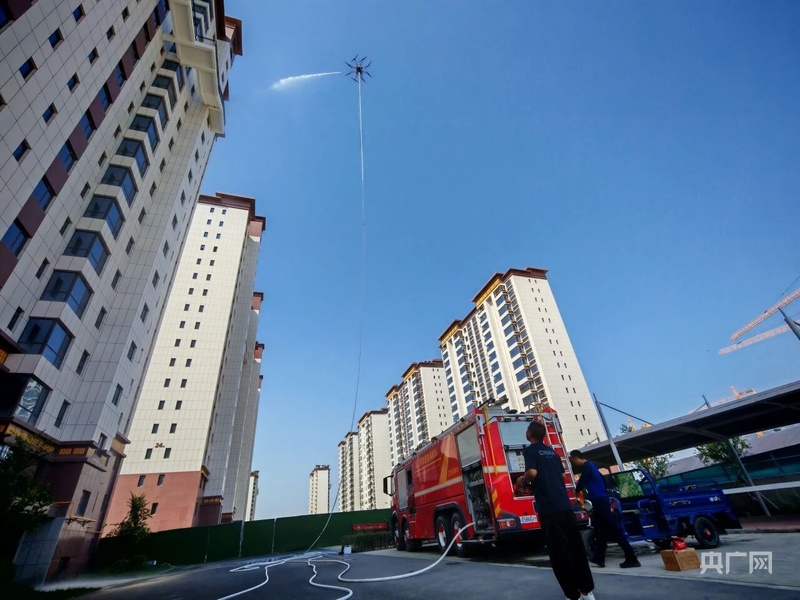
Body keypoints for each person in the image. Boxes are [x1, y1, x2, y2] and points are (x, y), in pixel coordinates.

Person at [516, 421, 596, 600]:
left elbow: (532, 473)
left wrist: (523, 480)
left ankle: (572, 595)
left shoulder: (530, 451)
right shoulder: (552, 451)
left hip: (549, 508)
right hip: (565, 507)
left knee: (559, 553)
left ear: (530, 434)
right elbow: (562, 475)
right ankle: (586, 591)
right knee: (576, 549)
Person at [569, 450, 641, 569]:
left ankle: (631, 558)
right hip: (600, 500)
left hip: (599, 501)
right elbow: (603, 481)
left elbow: (583, 480)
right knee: (599, 531)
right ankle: (599, 558)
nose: (574, 463)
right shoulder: (592, 466)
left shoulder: (587, 467)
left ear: (576, 458)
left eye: (573, 461)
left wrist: (576, 490)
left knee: (613, 529)